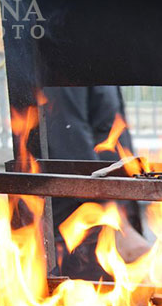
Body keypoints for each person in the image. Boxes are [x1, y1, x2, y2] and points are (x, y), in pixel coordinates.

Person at [43, 86, 151, 281]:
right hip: (85, 225)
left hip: (104, 219)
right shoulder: (65, 63)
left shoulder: (99, 60)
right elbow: (71, 143)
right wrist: (120, 225)